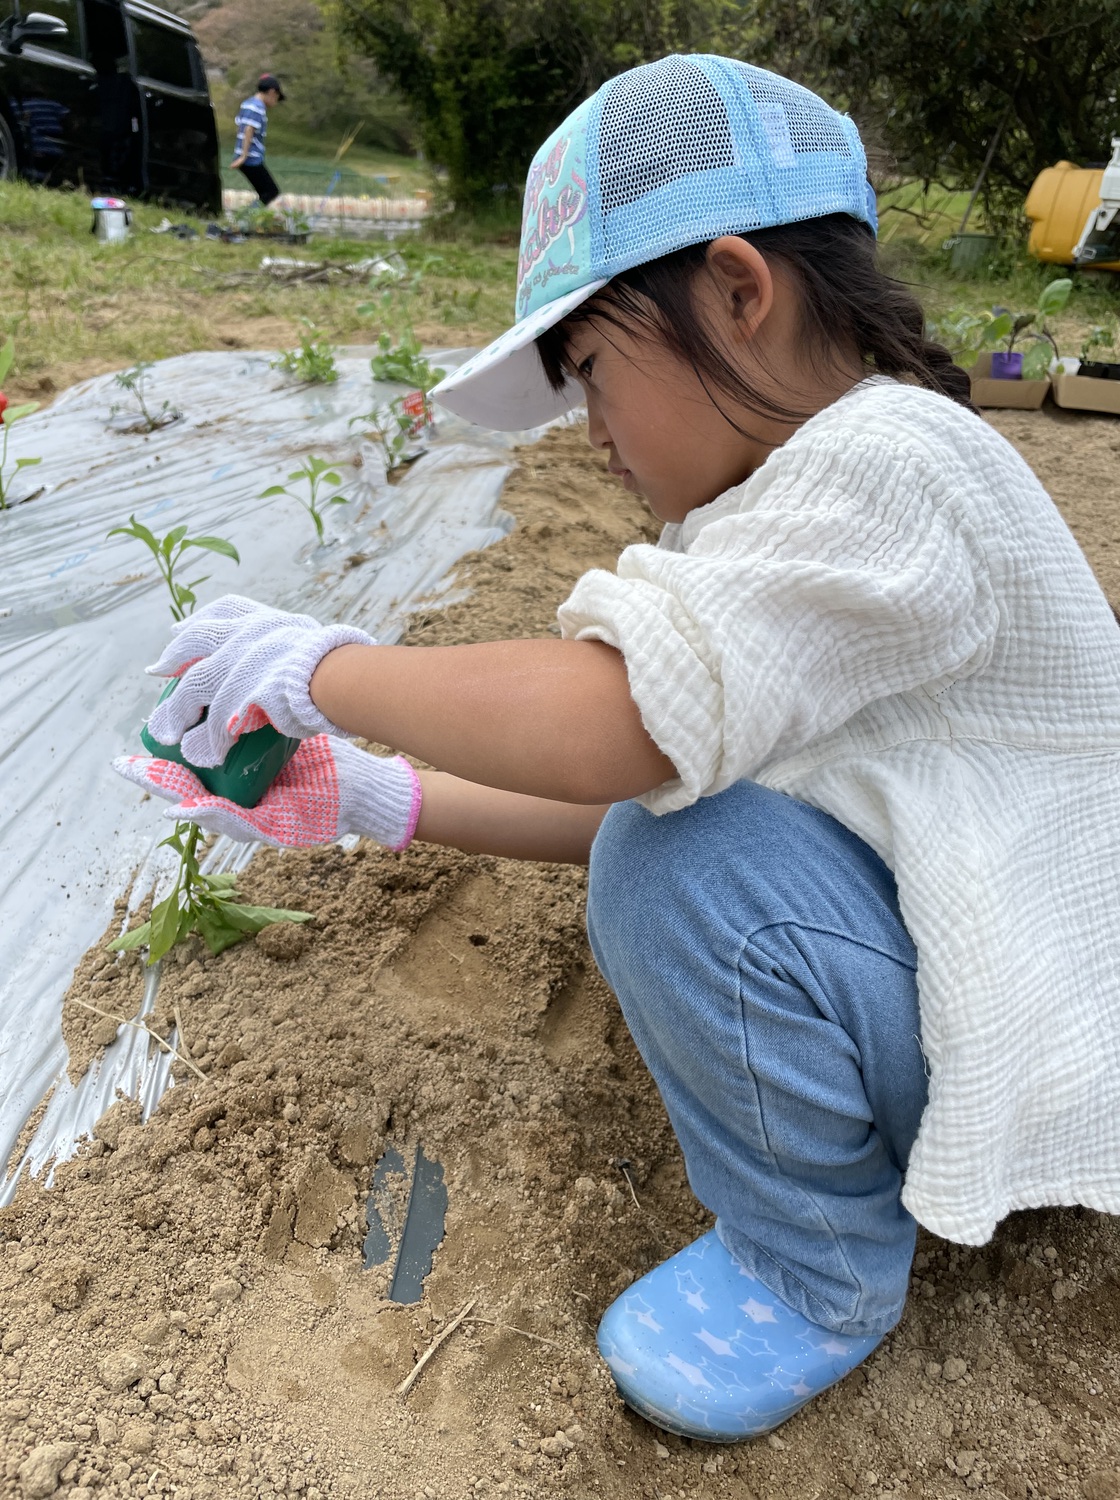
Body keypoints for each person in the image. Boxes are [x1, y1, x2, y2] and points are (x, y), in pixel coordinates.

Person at [115, 55, 1120, 1444]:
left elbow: (619, 743)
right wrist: (363, 789)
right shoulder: (807, 506)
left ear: (737, 290)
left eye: (589, 373)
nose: (591, 438)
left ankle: (815, 1272)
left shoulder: (894, 462)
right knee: (682, 845)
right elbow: (664, 777)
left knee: (672, 873)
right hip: (987, 984)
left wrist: (324, 666)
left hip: (1034, 1033)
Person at [231, 73, 284, 206]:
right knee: (271, 192)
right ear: (272, 92)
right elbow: (249, 129)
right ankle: (245, 221)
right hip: (251, 158)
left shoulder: (246, 104)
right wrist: (243, 156)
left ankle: (248, 221)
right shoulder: (257, 107)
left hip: (245, 156)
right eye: (277, 97)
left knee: (266, 193)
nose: (276, 102)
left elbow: (239, 127)